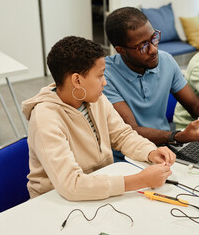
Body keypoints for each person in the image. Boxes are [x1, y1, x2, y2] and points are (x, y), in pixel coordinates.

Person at [22, 36, 176, 201]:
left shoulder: (94, 98)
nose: (105, 83)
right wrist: (139, 181)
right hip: (55, 202)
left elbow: (122, 135)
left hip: (99, 189)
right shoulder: (45, 118)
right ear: (77, 80)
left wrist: (150, 152)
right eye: (100, 76)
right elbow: (71, 185)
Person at [103, 7, 199, 153]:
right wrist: (177, 136)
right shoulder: (105, 75)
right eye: (143, 46)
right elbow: (131, 130)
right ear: (120, 50)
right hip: (129, 156)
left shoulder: (166, 60)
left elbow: (195, 106)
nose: (153, 49)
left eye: (154, 38)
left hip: (166, 148)